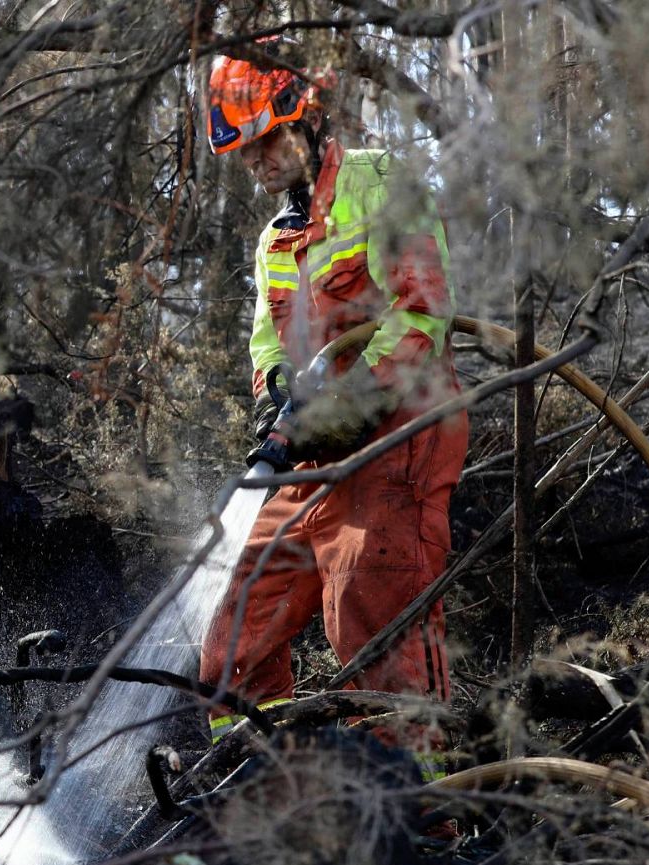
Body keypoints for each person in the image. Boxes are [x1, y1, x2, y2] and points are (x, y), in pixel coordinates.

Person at [197, 42, 468, 782]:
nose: (255, 163)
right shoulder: (274, 240)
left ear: (305, 120)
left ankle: (419, 823)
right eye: (244, 153)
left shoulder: (383, 183)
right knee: (231, 642)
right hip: (313, 453)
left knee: (371, 625)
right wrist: (274, 400)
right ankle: (266, 799)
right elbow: (266, 341)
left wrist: (348, 401)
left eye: (264, 143)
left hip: (397, 436)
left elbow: (422, 313)